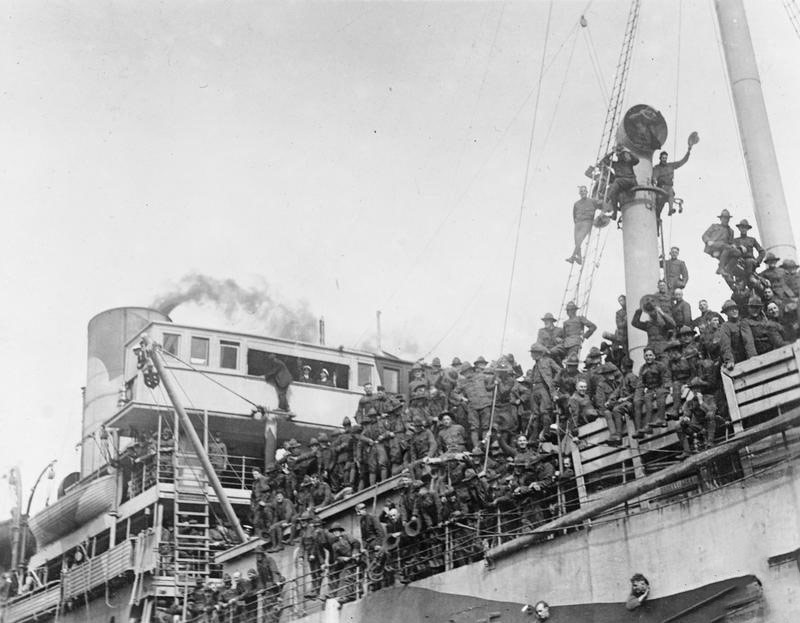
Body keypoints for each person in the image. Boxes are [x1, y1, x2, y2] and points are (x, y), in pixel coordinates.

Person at [635, 348, 671, 435]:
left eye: (650, 355)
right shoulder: (643, 368)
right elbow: (641, 383)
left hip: (661, 387)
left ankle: (662, 419)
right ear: (644, 357)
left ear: (654, 356)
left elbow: (666, 378)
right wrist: (640, 394)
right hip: (650, 390)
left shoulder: (660, 365)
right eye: (646, 355)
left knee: (660, 394)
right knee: (647, 398)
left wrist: (663, 388)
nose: (648, 357)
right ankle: (648, 426)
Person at [652, 144, 692, 218]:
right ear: (660, 158)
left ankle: (670, 210)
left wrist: (688, 151)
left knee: (671, 193)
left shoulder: (670, 166)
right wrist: (654, 180)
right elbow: (655, 175)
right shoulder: (657, 168)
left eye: (665, 158)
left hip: (669, 187)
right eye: (663, 158)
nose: (664, 159)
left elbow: (682, 162)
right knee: (659, 206)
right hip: (661, 188)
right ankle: (657, 216)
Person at [567, 185, 604, 264]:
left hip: (587, 223)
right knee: (577, 242)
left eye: (584, 191)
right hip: (578, 224)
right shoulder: (576, 204)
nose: (583, 192)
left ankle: (573, 257)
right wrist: (577, 223)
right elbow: (574, 215)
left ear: (587, 192)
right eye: (581, 191)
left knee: (579, 240)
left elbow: (602, 205)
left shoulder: (592, 201)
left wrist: (602, 213)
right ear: (579, 193)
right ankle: (579, 259)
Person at [719, 299, 757, 370]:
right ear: (726, 313)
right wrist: (729, 360)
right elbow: (725, 345)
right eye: (731, 310)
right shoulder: (725, 326)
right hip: (737, 361)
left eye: (735, 309)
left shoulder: (744, 322)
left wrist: (753, 356)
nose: (734, 311)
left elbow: (749, 341)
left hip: (750, 357)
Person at [605, 147, 639, 220]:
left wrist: (628, 151)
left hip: (630, 181)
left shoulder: (628, 162)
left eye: (621, 154)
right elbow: (605, 161)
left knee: (616, 183)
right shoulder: (615, 164)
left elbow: (637, 160)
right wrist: (612, 152)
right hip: (622, 184)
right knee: (613, 194)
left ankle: (608, 200)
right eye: (618, 155)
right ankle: (614, 213)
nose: (620, 156)